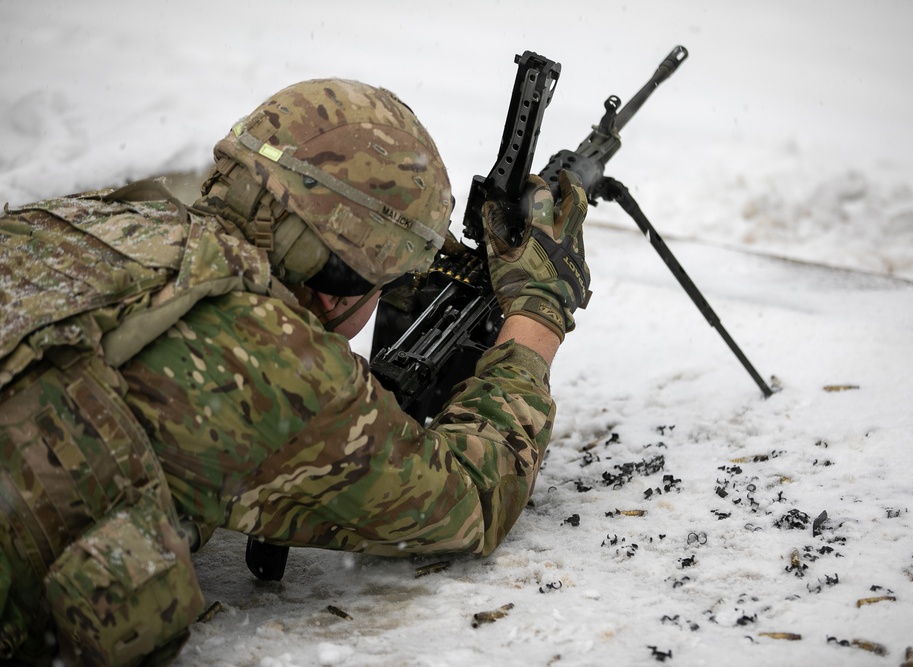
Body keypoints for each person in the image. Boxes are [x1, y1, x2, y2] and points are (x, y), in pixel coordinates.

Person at [0, 78, 589, 666]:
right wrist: (538, 313)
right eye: (387, 284)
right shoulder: (270, 362)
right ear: (337, 293)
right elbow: (471, 497)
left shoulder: (88, 219)